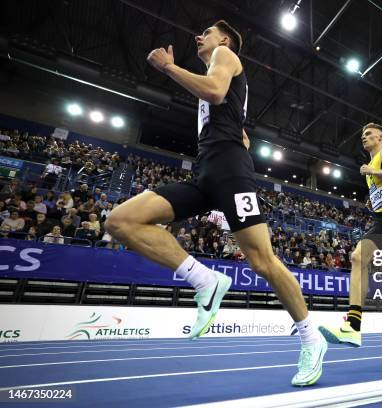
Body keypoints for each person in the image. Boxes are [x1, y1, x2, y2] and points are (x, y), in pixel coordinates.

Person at [105, 20, 327, 386]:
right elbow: (236, 122)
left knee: (263, 262)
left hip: (229, 171)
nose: (199, 36)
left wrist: (168, 67)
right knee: (120, 221)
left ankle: (310, 338)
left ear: (224, 40)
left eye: (206, 32)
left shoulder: (225, 55)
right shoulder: (219, 69)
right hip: (205, 171)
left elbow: (216, 93)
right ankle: (204, 279)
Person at [319, 123, 382, 347]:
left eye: (368, 134)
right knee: (357, 257)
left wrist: (372, 170)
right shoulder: (370, 167)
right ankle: (353, 327)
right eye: (362, 135)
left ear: (381, 137)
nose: (363, 138)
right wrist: (373, 199)